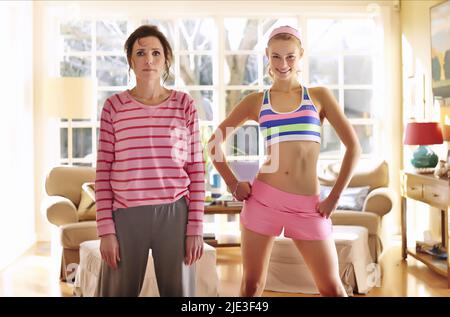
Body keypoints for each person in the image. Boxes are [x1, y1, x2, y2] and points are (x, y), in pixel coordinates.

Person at [207, 25, 361, 297]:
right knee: (252, 286)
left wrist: (334, 197)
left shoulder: (319, 96)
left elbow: (353, 148)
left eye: (290, 56)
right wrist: (232, 183)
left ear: (300, 55)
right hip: (263, 200)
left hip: (308, 206)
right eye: (276, 56)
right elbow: (214, 143)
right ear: (267, 56)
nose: (283, 63)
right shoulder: (256, 101)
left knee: (332, 288)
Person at [94, 25, 205, 297]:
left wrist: (195, 227)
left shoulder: (184, 105)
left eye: (156, 52)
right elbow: (103, 172)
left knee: (180, 293)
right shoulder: (114, 107)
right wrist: (105, 231)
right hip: (126, 215)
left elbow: (196, 168)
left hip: (174, 213)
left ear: (166, 59)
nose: (148, 59)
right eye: (140, 53)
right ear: (131, 60)